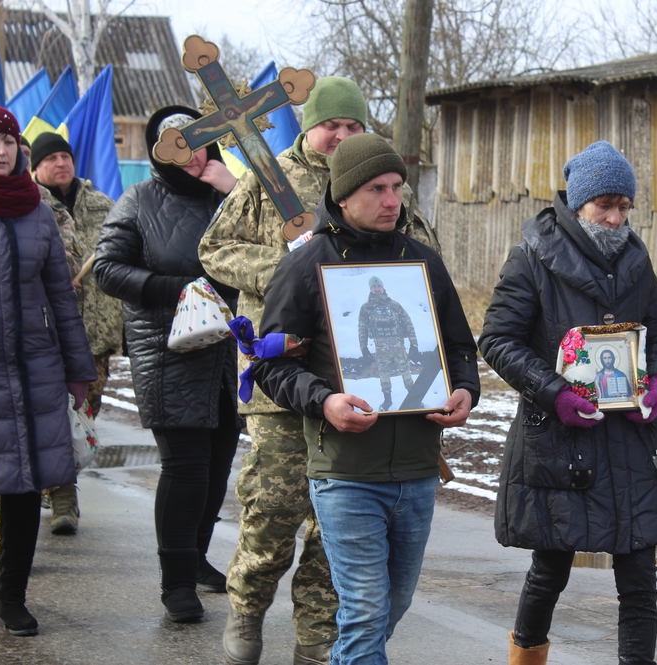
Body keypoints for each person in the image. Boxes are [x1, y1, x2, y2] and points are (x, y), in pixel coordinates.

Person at [199, 76, 437, 665]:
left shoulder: (376, 180)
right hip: (284, 373)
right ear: (309, 125)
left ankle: (316, 639)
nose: (342, 135)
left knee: (339, 526)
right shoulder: (266, 177)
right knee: (274, 510)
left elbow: (421, 255)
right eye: (333, 124)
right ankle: (247, 610)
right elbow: (213, 249)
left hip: (358, 378)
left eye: (354, 126)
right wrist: (289, 263)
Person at [252, 133, 480, 665]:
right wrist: (324, 400)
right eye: (377, 188)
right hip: (346, 471)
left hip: (419, 468)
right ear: (344, 194)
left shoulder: (424, 263)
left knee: (392, 605)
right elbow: (269, 363)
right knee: (364, 610)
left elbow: (458, 346)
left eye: (397, 187)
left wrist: (465, 388)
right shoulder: (307, 264)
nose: (392, 200)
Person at [478, 140, 657, 665]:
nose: (615, 219)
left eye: (625, 207)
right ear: (577, 203)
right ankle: (525, 657)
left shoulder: (636, 258)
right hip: (565, 441)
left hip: (631, 439)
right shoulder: (534, 255)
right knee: (551, 568)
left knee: (640, 579)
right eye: (604, 206)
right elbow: (497, 339)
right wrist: (556, 392)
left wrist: (656, 385)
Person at [0, 106, 97, 636]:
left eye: (10, 142)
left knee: (27, 484)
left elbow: (60, 295)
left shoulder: (38, 212)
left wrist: (78, 370)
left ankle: (13, 599)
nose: (3, 151)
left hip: (37, 369)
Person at [94, 105, 242, 623]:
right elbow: (107, 269)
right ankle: (176, 582)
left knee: (219, 463)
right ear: (158, 149)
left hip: (227, 353)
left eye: (197, 138)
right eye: (175, 141)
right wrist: (173, 289)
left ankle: (196, 557)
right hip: (168, 351)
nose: (190, 149)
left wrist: (234, 188)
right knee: (186, 469)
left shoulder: (230, 197)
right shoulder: (138, 200)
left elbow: (286, 243)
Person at [30, 131, 122, 534]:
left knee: (83, 415)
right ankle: (57, 495)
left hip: (94, 336)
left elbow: (122, 254)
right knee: (47, 415)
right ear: (35, 168)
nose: (61, 163)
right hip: (45, 335)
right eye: (50, 158)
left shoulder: (102, 205)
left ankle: (63, 488)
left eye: (65, 156)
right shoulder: (29, 205)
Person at [359, 276, 417, 411]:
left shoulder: (394, 305)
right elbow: (362, 328)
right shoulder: (366, 308)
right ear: (370, 289)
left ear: (383, 287)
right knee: (384, 374)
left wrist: (414, 344)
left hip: (398, 347)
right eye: (374, 287)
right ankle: (387, 401)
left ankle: (414, 398)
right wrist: (364, 347)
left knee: (406, 372)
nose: (377, 289)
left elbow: (408, 323)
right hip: (381, 349)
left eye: (379, 286)